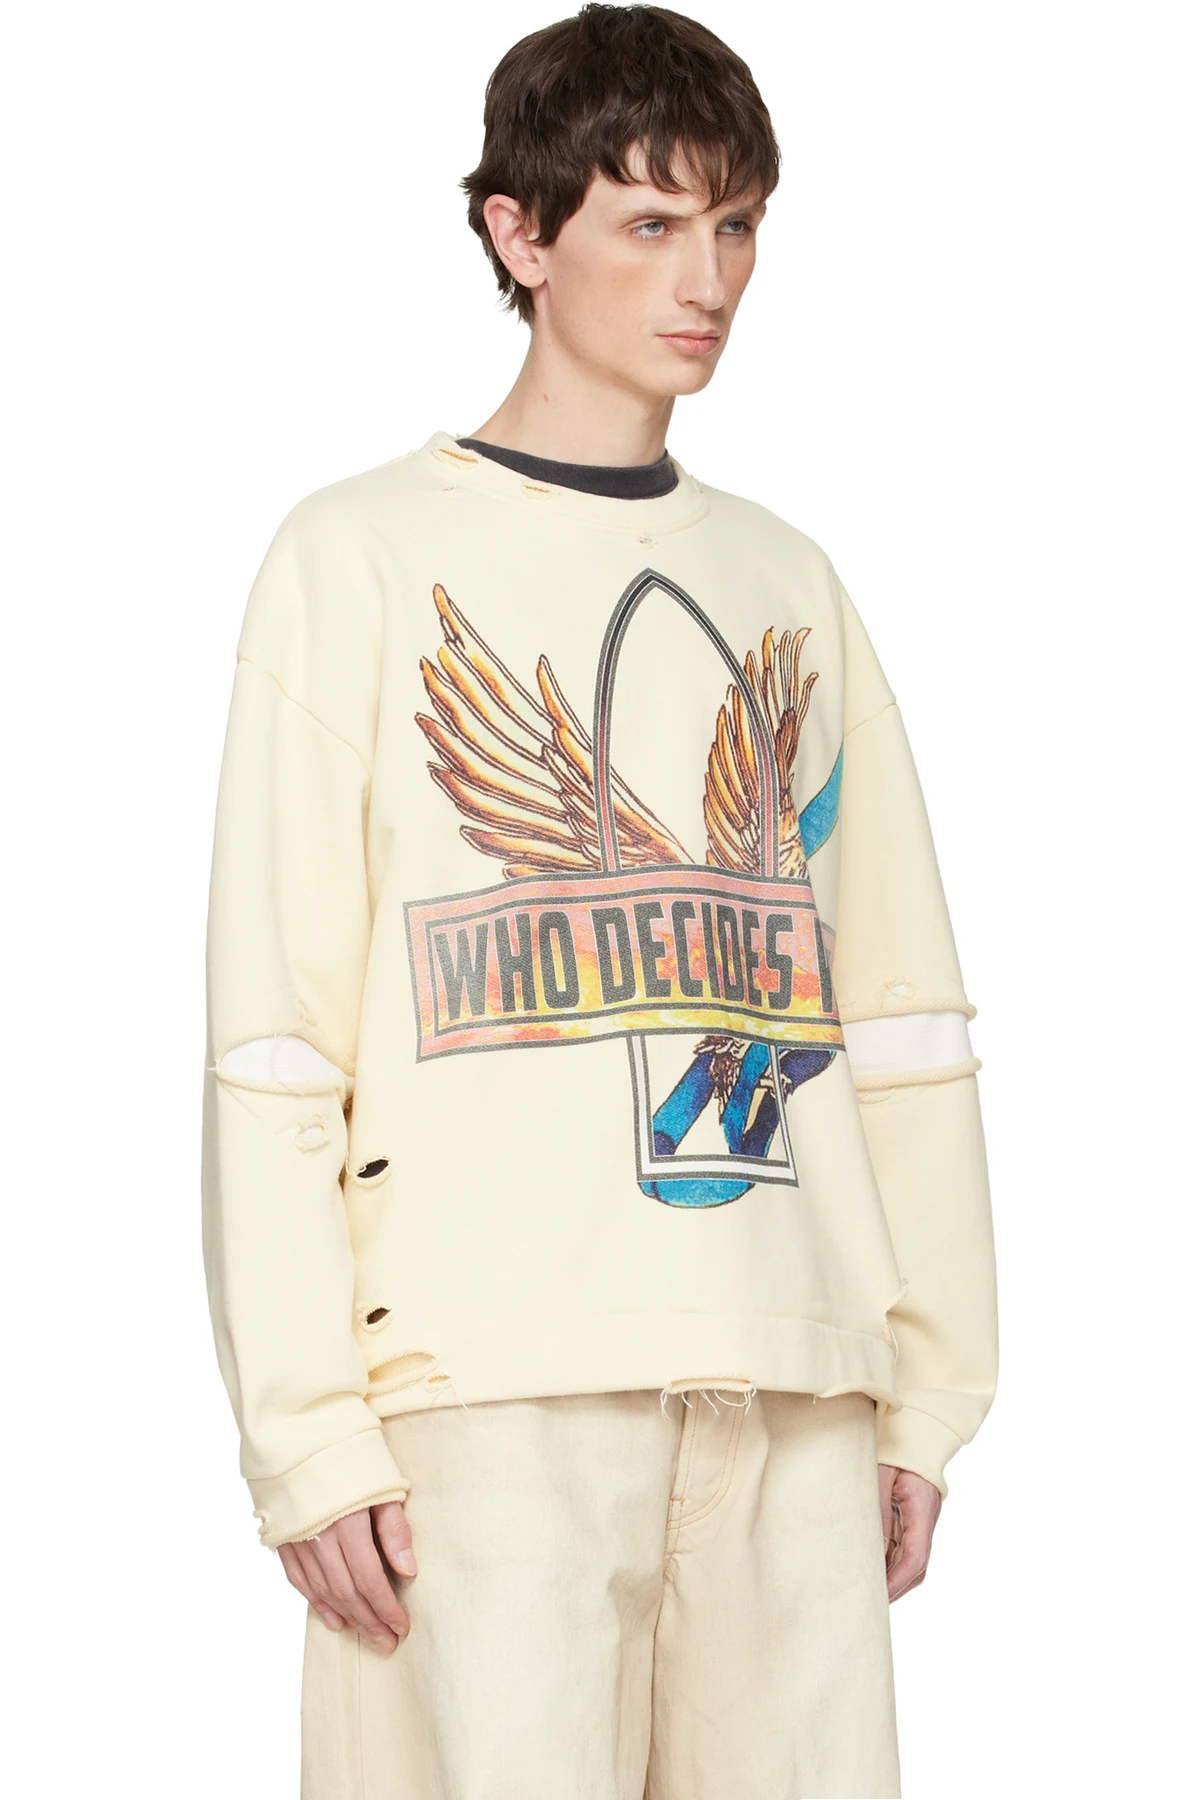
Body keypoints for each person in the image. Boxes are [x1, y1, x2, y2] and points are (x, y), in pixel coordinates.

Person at [200, 6, 999, 1796]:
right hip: (484, 1389)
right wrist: (309, 1432)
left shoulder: (788, 579)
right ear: (520, 232)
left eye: (737, 225)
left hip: (791, 1374)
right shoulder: (358, 554)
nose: (707, 279)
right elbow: (279, 1035)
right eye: (650, 223)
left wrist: (927, 1383)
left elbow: (902, 1015)